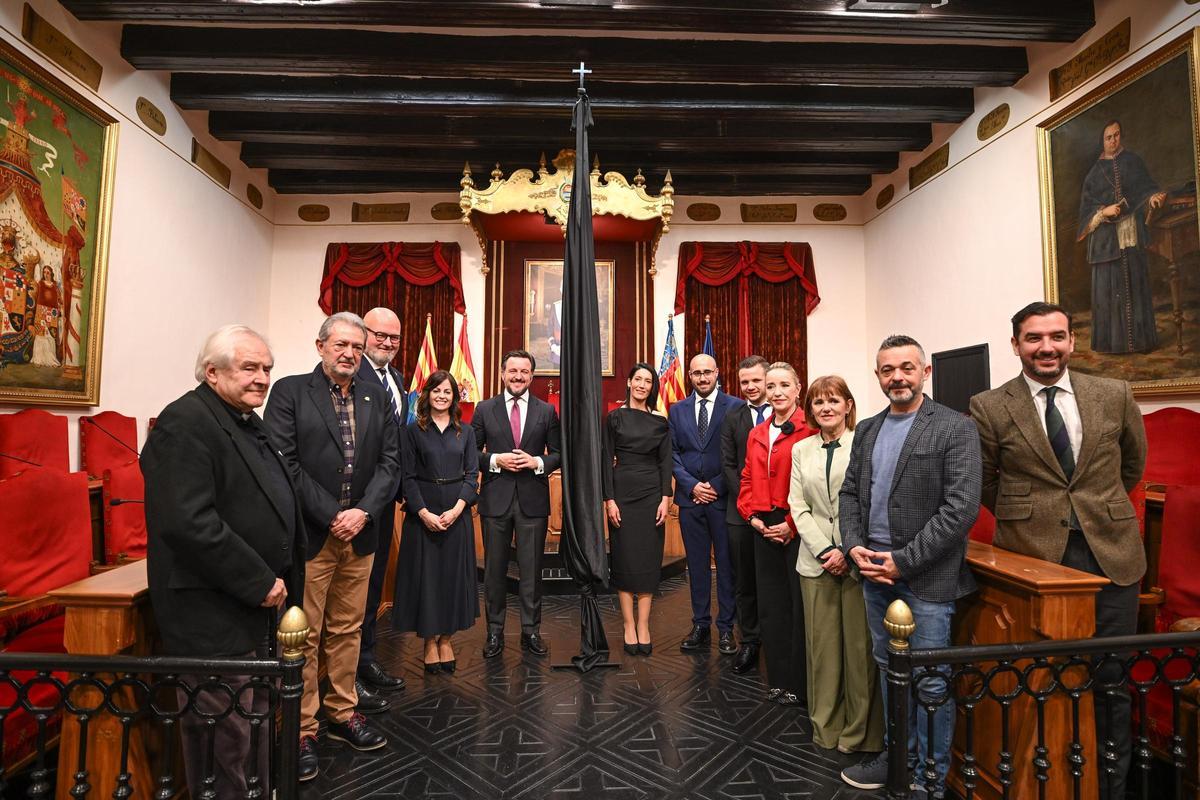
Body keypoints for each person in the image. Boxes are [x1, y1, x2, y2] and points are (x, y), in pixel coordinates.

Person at [970, 301, 1146, 800]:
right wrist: (1031, 514)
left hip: (1112, 556)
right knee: (1038, 678)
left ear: (1071, 340)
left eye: (1056, 336)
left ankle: (1110, 786)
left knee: (1109, 677)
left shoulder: (1114, 394)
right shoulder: (990, 404)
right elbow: (986, 482)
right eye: (1033, 338)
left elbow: (1132, 464)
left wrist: (1097, 509)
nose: (1046, 347)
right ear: (1016, 345)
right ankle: (1046, 785)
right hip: (1032, 561)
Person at [143, 324, 303, 800]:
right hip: (213, 611)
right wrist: (258, 581)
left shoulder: (244, 420)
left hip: (250, 613)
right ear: (212, 372)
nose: (262, 378)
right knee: (221, 740)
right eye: (249, 367)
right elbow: (189, 522)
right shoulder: (185, 422)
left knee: (250, 728)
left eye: (267, 369)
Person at [838, 335, 981, 797]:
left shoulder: (954, 427)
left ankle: (928, 779)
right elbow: (850, 495)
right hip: (873, 573)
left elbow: (960, 509)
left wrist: (903, 563)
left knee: (930, 683)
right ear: (878, 376)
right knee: (888, 672)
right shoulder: (867, 429)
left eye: (906, 367)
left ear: (925, 372)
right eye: (886, 370)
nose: (897, 376)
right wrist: (855, 546)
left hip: (926, 579)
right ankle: (898, 758)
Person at [264, 311, 401, 781]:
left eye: (357, 348)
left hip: (362, 534)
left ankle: (342, 714)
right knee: (306, 633)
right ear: (320, 345)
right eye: (341, 344)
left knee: (348, 630)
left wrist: (363, 512)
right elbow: (286, 463)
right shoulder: (288, 392)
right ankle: (303, 728)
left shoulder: (375, 394)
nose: (349, 354)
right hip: (312, 536)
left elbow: (390, 461)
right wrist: (333, 515)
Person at [788, 375, 883, 754]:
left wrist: (847, 548)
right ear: (810, 409)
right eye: (818, 402)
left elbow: (870, 501)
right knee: (823, 652)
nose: (825, 408)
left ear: (847, 405)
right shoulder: (801, 449)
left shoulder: (865, 443)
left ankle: (860, 733)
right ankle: (825, 727)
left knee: (860, 653)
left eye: (833, 400)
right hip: (816, 564)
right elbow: (798, 505)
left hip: (858, 560)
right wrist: (826, 550)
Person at [471, 349, 562, 658]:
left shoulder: (546, 411)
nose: (518, 376)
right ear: (502, 373)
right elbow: (471, 451)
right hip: (495, 500)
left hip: (533, 502)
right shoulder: (485, 409)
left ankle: (530, 631)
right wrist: (495, 460)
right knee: (494, 572)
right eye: (513, 371)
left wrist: (536, 461)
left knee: (532, 572)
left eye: (524, 372)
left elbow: (558, 453)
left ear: (532, 376)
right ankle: (494, 633)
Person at [736, 361, 815, 706]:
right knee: (771, 607)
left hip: (796, 526)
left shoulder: (809, 429)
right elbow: (747, 479)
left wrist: (792, 525)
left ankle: (801, 682)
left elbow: (814, 487)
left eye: (784, 385)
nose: (777, 392)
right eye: (771, 386)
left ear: (799, 389)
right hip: (762, 525)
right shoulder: (757, 433)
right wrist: (751, 516)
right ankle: (779, 679)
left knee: (798, 607)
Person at [393, 370, 480, 673]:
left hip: (457, 514)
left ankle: (446, 639)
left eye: (448, 392)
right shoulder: (412, 431)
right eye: (437, 391)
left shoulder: (465, 432)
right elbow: (407, 476)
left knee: (452, 580)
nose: (442, 396)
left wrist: (457, 509)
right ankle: (429, 642)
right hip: (424, 515)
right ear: (426, 394)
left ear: (455, 397)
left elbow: (472, 475)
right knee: (427, 581)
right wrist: (423, 513)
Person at [669, 353, 742, 654]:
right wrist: (692, 486)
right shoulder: (677, 410)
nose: (702, 378)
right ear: (689, 375)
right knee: (697, 566)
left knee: (725, 566)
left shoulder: (735, 407)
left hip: (723, 499)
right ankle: (700, 625)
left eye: (707, 372)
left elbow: (739, 455)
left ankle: (726, 629)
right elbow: (672, 454)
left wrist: (713, 485)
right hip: (690, 500)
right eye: (697, 373)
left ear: (717, 373)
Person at [1076, 119, 1168, 354]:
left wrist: (1152, 198)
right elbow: (1086, 210)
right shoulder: (1094, 174)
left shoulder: (1133, 161)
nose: (1114, 140)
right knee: (1111, 288)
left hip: (1131, 231)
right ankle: (1113, 345)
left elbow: (1145, 188)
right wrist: (1103, 212)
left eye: (1117, 135)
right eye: (1109, 137)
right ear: (1102, 141)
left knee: (1135, 282)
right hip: (1107, 238)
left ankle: (1142, 341)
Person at [354, 306, 409, 696]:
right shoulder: (348, 375)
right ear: (363, 335)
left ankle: (365, 658)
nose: (387, 343)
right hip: (353, 501)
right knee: (350, 591)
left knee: (372, 585)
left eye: (394, 338)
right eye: (380, 336)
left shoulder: (397, 378)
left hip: (386, 498)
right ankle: (346, 671)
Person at [603, 362, 672, 656]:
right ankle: (628, 625)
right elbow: (606, 459)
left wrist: (666, 498)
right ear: (629, 382)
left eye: (648, 381)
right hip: (622, 493)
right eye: (638, 379)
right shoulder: (614, 418)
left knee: (647, 560)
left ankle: (644, 625)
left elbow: (666, 461)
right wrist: (609, 499)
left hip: (652, 494)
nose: (643, 385)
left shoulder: (660, 420)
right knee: (624, 559)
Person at [720, 355, 771, 673]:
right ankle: (750, 642)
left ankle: (776, 640)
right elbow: (727, 465)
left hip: (778, 516)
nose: (750, 387)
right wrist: (748, 503)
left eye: (756, 380)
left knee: (774, 581)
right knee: (744, 582)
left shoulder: (786, 414)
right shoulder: (732, 416)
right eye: (744, 382)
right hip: (740, 514)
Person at [31, 263, 60, 367]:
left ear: (51, 273)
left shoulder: (55, 286)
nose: (46, 274)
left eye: (48, 272)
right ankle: (38, 359)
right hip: (41, 311)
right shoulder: (40, 284)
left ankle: (51, 360)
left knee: (50, 336)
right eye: (44, 272)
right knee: (40, 335)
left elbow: (58, 299)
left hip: (52, 312)